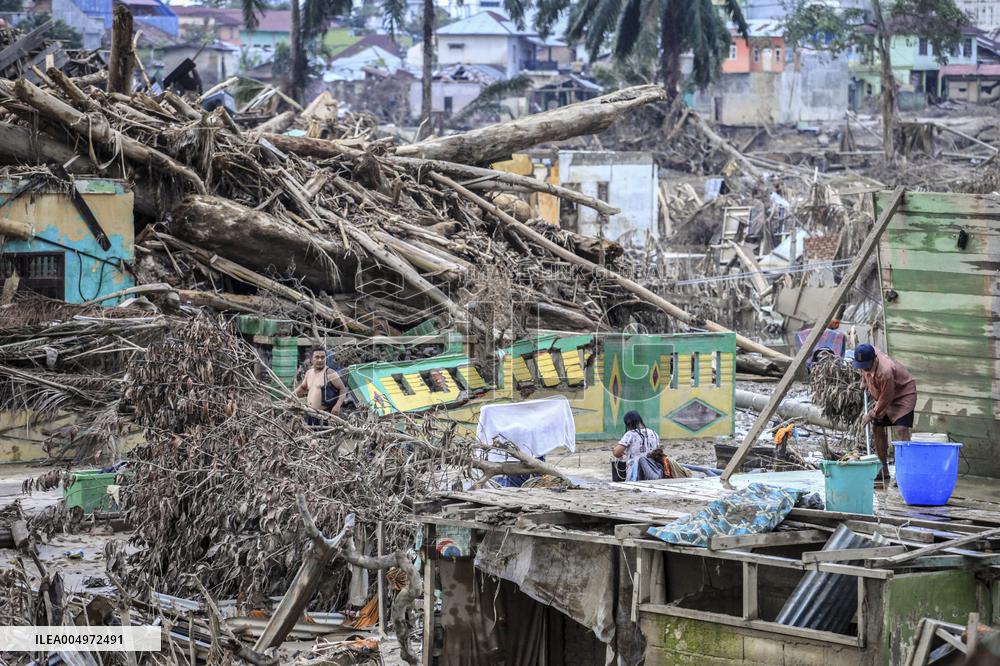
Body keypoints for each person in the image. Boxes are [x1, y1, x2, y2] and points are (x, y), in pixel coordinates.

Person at [853, 343, 917, 485]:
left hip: (903, 394)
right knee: (877, 428)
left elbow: (886, 398)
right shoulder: (869, 355)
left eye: (866, 366)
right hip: (883, 393)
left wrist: (871, 414)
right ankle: (883, 469)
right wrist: (864, 379)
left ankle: (903, 473)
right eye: (861, 365)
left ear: (874, 360)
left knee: (901, 430)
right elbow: (864, 367)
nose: (864, 368)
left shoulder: (886, 372)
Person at [295, 348, 347, 426]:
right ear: (311, 359)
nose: (320, 360)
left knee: (322, 437)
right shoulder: (309, 373)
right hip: (310, 414)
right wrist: (291, 397)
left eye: (323, 357)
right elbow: (302, 387)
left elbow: (342, 389)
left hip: (324, 416)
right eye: (317, 357)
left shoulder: (330, 373)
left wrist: (337, 406)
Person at [612, 410, 660, 482]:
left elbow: (617, 453)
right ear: (640, 420)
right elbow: (657, 452)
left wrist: (615, 450)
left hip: (636, 472)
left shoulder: (630, 434)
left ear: (628, 423)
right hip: (653, 471)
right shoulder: (654, 433)